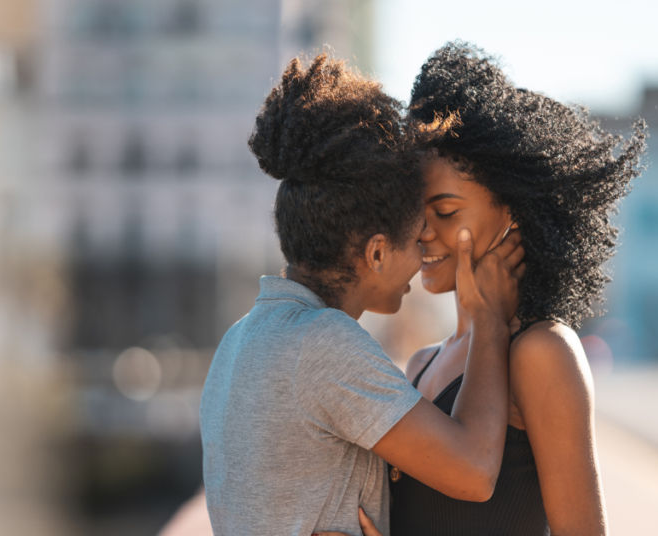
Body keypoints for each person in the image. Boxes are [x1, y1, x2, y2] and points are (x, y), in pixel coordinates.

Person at [199, 53, 526, 536]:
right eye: (416, 238)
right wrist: (490, 323)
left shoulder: (237, 341)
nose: (424, 254)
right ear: (376, 253)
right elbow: (474, 471)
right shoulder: (323, 343)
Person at [384, 43, 647, 536]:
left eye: (445, 211)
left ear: (511, 213)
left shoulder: (542, 352)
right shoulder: (420, 365)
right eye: (416, 211)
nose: (422, 231)